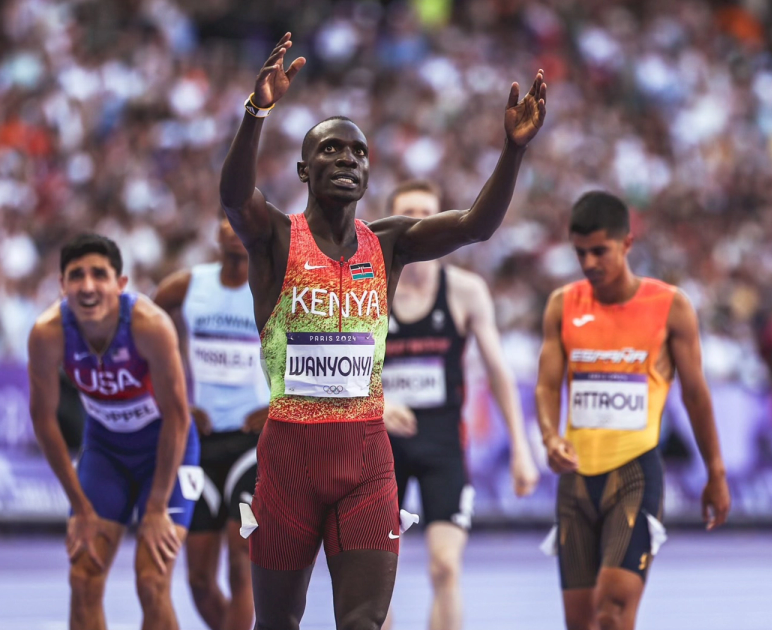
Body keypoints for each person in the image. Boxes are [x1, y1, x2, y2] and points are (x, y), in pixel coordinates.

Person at [218, 32, 546, 630]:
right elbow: (235, 198)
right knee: (276, 624)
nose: (346, 159)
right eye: (330, 151)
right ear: (303, 169)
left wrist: (513, 151)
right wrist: (256, 112)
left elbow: (475, 226)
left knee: (365, 623)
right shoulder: (274, 240)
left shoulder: (389, 243)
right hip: (289, 458)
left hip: (367, 460)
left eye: (357, 153)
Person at [535, 191, 730, 630]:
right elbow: (547, 385)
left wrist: (715, 472)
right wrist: (550, 437)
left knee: (612, 611)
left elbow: (696, 396)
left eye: (599, 251)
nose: (588, 263)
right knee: (580, 622)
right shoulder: (562, 305)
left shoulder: (670, 306)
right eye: (579, 253)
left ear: (627, 243)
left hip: (635, 476)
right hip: (575, 482)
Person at [380, 180, 540, 630]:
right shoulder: (369, 290)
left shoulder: (465, 292)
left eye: (426, 214)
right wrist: (380, 401)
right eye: (406, 213)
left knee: (445, 567)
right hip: (379, 446)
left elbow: (497, 372)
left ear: (442, 225)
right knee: (375, 576)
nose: (417, 222)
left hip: (443, 444)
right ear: (391, 224)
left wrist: (522, 451)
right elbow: (344, 366)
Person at [27, 233, 201, 630]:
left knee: (152, 580)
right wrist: (81, 508)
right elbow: (43, 421)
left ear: (120, 285)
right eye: (76, 276)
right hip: (105, 454)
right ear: (61, 285)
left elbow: (177, 416)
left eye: (99, 275)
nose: (87, 286)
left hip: (167, 453)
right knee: (83, 577)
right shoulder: (48, 333)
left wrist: (156, 507)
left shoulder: (150, 325)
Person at [154, 213, 269, 630]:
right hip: (199, 442)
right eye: (226, 221)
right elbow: (143, 325)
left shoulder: (272, 289)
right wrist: (177, 397)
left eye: (243, 223)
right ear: (216, 233)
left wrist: (275, 406)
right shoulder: (190, 286)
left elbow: (312, 347)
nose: (234, 229)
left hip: (250, 445)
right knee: (200, 579)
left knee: (242, 561)